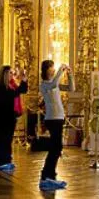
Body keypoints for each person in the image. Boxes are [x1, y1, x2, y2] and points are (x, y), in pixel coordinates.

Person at [38, 60, 75, 190]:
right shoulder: (44, 85)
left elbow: (71, 88)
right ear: (46, 70)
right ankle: (46, 176)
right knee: (55, 148)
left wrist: (70, 75)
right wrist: (61, 69)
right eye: (51, 68)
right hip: (52, 119)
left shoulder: (55, 84)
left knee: (57, 148)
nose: (53, 70)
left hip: (59, 117)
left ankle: (50, 175)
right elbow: (53, 84)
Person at [0, 65, 27, 171]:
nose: (13, 75)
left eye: (13, 73)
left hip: (10, 116)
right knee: (3, 139)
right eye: (10, 73)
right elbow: (12, 95)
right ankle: (1, 161)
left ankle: (6, 160)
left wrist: (24, 81)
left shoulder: (11, 85)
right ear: (5, 74)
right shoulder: (0, 86)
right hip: (2, 117)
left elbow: (22, 90)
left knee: (8, 139)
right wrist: (22, 82)